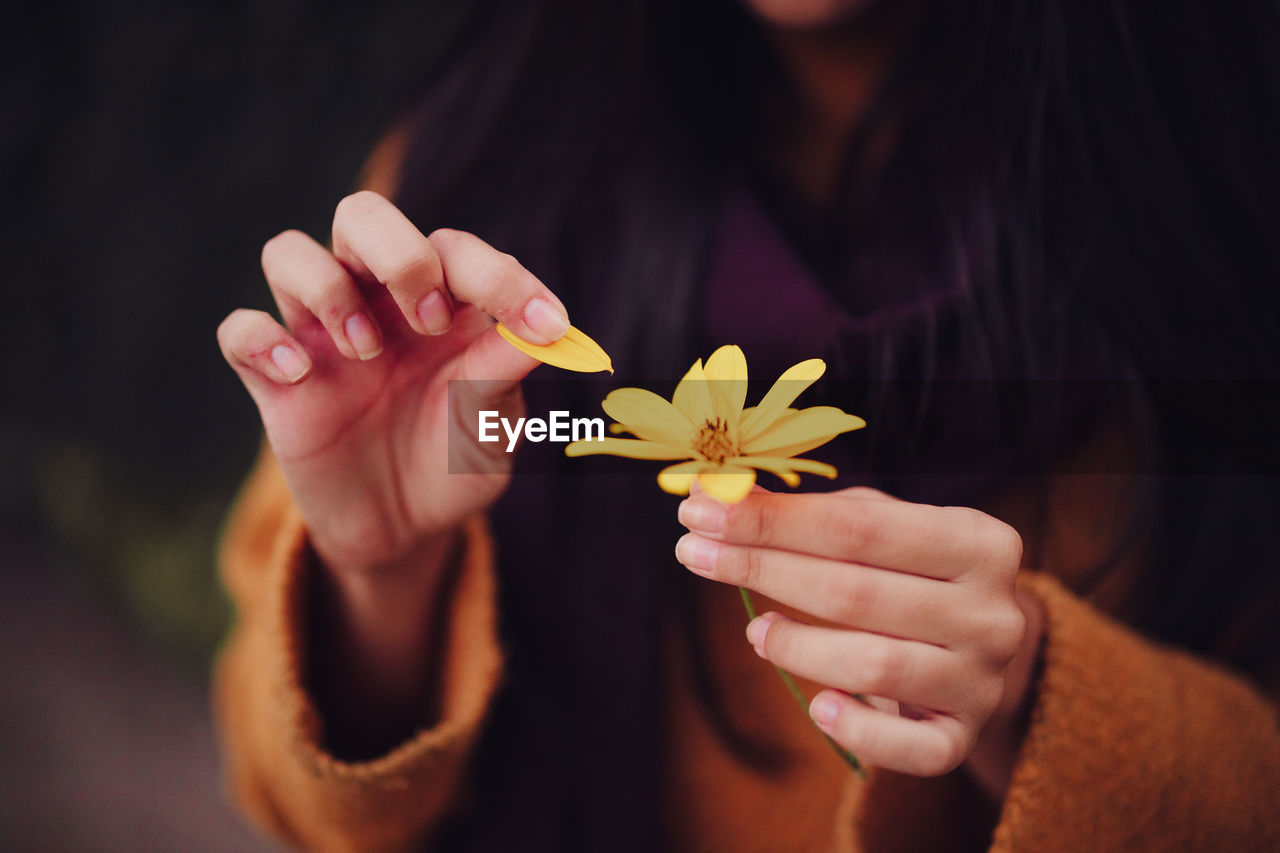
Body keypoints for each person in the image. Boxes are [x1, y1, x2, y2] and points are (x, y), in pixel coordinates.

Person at [214, 0, 1280, 850]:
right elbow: (285, 789)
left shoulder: (1218, 197)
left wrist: (1035, 701)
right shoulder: (474, 176)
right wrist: (379, 570)